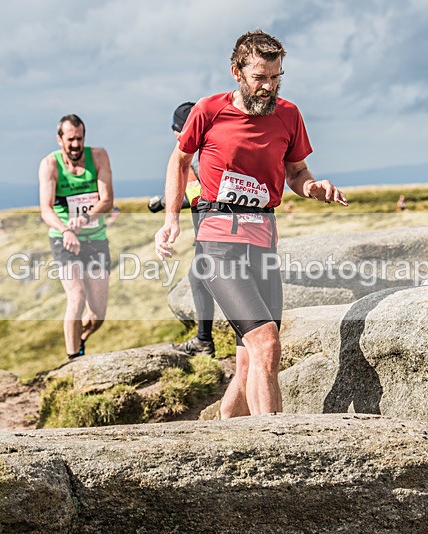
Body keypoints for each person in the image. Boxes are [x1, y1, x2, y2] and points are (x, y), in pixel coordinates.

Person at [154, 30, 347, 418]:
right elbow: (179, 160)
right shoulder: (208, 110)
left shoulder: (289, 115)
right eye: (260, 77)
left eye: (276, 77)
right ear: (236, 72)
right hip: (218, 245)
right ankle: (277, 445)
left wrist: (314, 187)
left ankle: (226, 426)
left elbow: (296, 172)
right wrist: (172, 219)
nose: (268, 86)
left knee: (248, 360)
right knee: (267, 344)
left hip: (262, 244)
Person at [39, 114, 114, 359]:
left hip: (95, 238)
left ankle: (79, 337)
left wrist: (84, 220)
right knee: (76, 296)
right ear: (59, 139)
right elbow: (46, 209)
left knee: (98, 314)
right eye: (70, 139)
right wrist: (66, 230)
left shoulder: (99, 156)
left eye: (79, 139)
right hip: (64, 240)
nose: (75, 145)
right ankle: (73, 360)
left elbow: (107, 200)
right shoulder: (50, 165)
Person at [154, 102, 216, 357]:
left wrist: (163, 202)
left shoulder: (198, 155)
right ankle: (206, 340)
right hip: (214, 231)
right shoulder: (206, 149)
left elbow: (199, 193)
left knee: (205, 280)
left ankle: (207, 341)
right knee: (199, 278)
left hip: (214, 231)